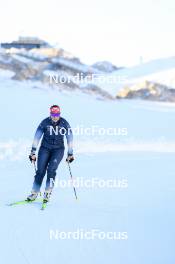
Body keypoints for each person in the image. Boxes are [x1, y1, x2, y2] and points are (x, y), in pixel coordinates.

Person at [27, 105, 74, 203]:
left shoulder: (64, 123)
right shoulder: (45, 122)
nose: (55, 116)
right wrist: (33, 152)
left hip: (58, 150)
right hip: (45, 148)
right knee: (40, 171)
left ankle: (47, 192)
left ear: (59, 114)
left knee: (51, 169)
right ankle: (34, 192)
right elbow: (37, 137)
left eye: (57, 114)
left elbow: (70, 138)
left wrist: (70, 153)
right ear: (50, 114)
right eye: (53, 114)